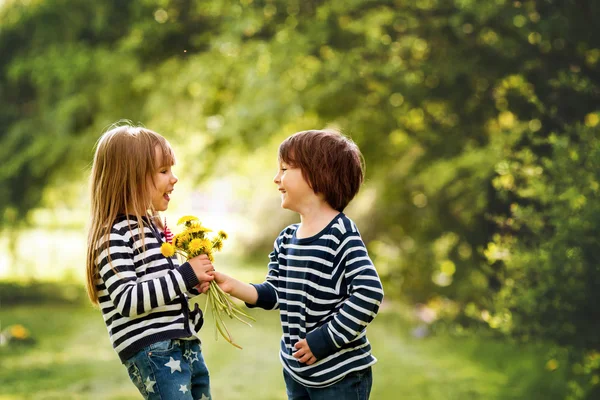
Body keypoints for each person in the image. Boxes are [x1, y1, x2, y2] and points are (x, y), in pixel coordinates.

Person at [214, 129, 384, 399]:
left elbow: (369, 293)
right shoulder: (286, 239)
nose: (276, 178)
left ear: (318, 173)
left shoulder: (340, 232)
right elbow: (275, 294)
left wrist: (324, 341)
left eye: (284, 168)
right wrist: (232, 285)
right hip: (298, 372)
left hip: (340, 376)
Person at [85, 123, 214, 399]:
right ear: (131, 178)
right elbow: (129, 300)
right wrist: (184, 276)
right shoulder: (113, 236)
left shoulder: (151, 227)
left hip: (182, 342)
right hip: (156, 351)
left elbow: (159, 287)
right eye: (164, 171)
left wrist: (193, 284)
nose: (174, 178)